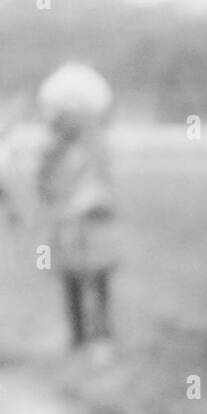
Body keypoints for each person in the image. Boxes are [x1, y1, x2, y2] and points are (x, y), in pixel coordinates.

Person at [35, 63, 119, 360]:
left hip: (92, 223)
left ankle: (102, 336)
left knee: (97, 278)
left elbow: (105, 187)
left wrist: (90, 203)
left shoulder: (96, 147)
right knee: (70, 278)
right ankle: (77, 336)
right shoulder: (52, 151)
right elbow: (44, 186)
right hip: (67, 225)